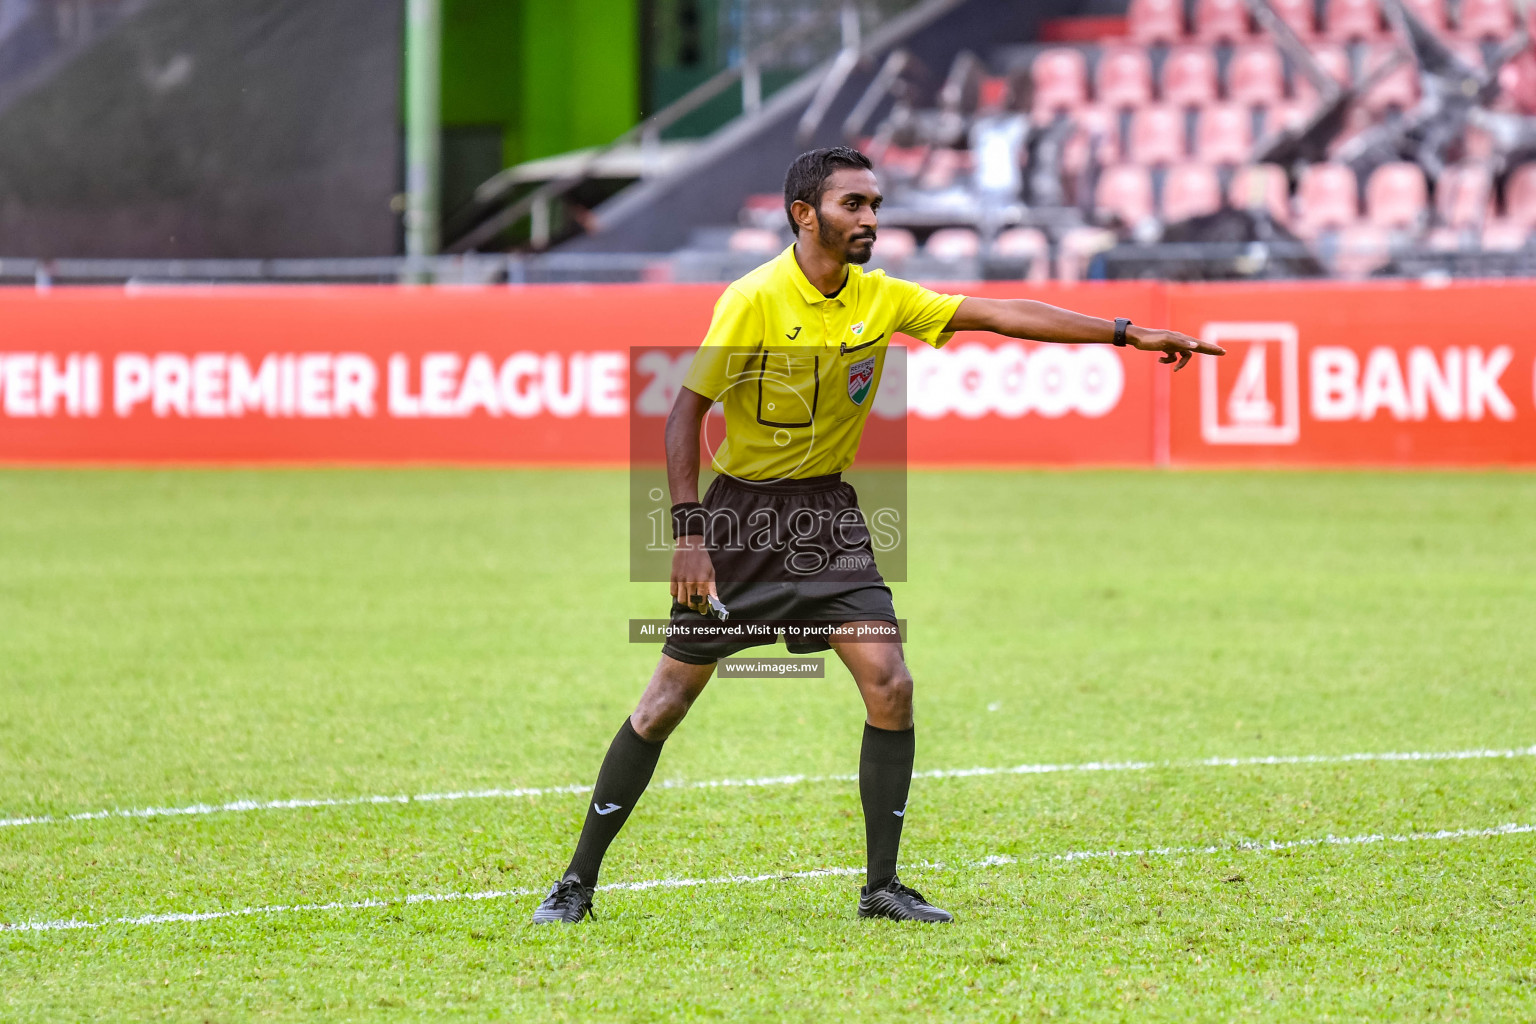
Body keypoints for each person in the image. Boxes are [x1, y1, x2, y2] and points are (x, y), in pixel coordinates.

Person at [531, 146, 1223, 925]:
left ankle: (882, 888)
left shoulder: (882, 297)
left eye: (874, 205)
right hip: (739, 522)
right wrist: (688, 534)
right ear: (805, 214)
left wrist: (1127, 332)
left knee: (890, 683)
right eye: (854, 204)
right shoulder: (753, 298)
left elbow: (997, 313)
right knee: (664, 703)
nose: (870, 220)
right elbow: (683, 412)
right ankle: (575, 884)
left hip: (829, 520)